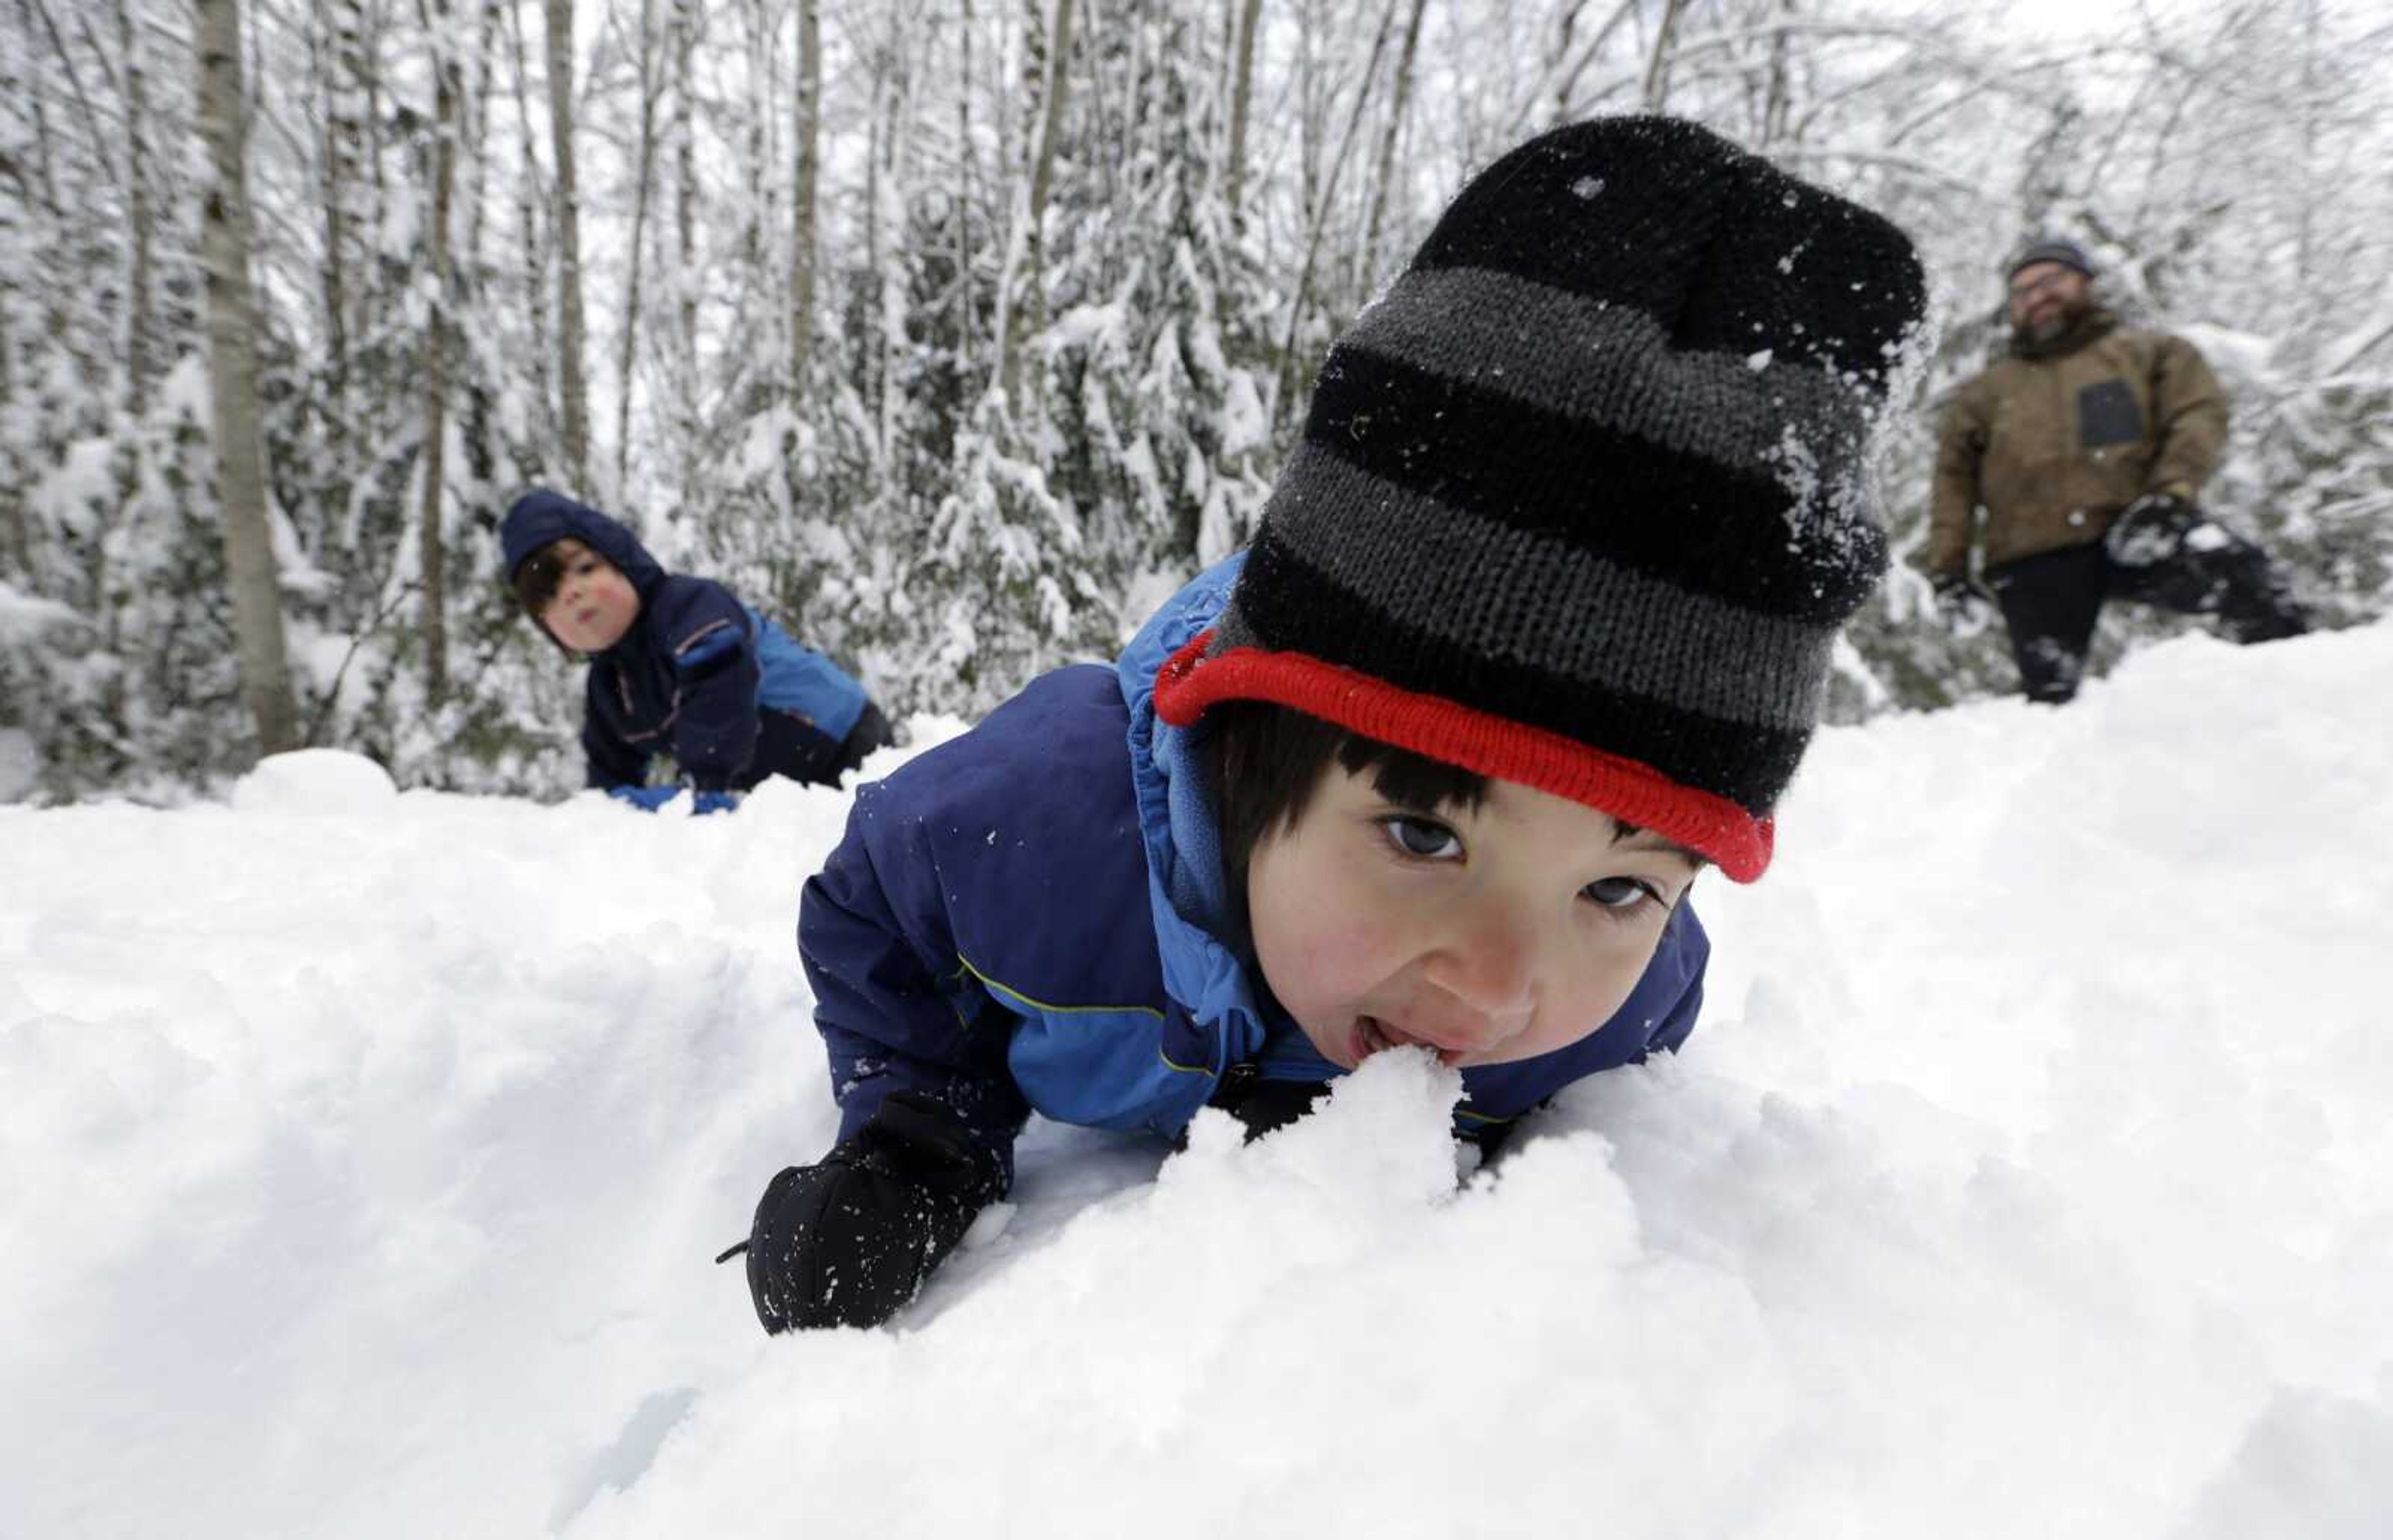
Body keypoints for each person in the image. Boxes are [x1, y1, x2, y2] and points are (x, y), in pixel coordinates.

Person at [728, 116, 1927, 1333]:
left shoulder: (1621, 1000)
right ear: (1253, 748)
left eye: (1618, 888)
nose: (1501, 986)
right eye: (1423, 836)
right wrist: (918, 1129)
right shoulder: (1027, 837)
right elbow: (875, 904)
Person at [1926, 239, 2308, 703]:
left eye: (2051, 281)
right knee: (2050, 700)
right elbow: (1953, 482)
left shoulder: (2150, 353)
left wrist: (2172, 495)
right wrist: (1949, 571)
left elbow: (2197, 417)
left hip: (2137, 530)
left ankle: (2298, 705)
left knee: (2256, 590)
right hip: (2031, 558)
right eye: (2023, 291)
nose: (2037, 297)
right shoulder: (1984, 393)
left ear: (2085, 283)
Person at [499, 488, 892, 810]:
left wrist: (706, 785)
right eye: (548, 594)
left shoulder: (687, 606)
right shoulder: (609, 689)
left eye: (585, 569)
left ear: (624, 563)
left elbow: (719, 678)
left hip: (847, 743)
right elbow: (609, 773)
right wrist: (606, 813)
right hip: (779, 791)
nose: (572, 592)